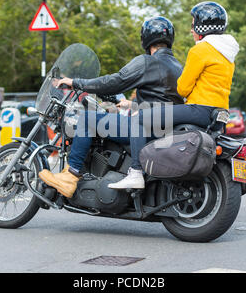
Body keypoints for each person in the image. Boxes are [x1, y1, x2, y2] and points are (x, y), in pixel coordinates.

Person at [37, 16, 184, 198]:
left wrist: (76, 82)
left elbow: (115, 81)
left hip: (145, 126)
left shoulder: (147, 61)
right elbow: (164, 99)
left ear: (145, 38)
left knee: (88, 119)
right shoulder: (178, 66)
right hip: (164, 126)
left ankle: (70, 175)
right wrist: (133, 104)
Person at [108, 1, 240, 189]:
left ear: (202, 26)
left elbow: (183, 88)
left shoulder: (200, 50)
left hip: (199, 109)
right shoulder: (228, 53)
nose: (191, 29)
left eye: (193, 23)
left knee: (140, 118)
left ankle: (135, 172)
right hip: (219, 113)